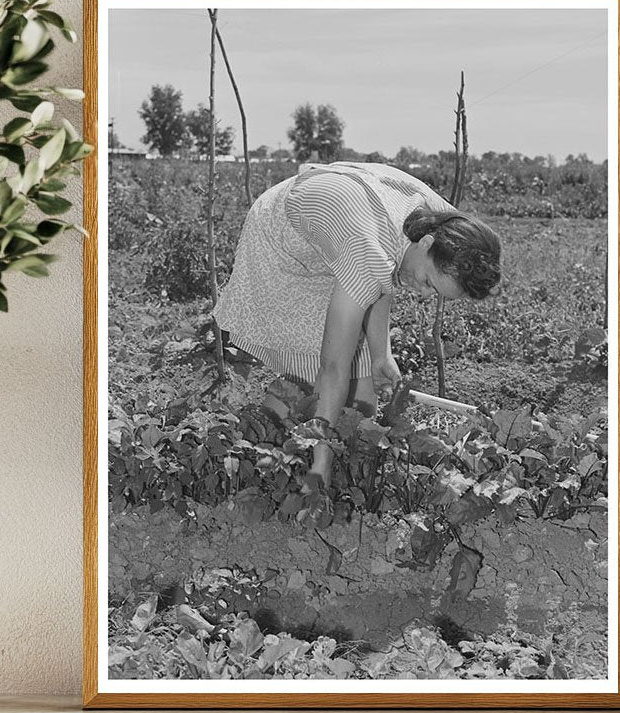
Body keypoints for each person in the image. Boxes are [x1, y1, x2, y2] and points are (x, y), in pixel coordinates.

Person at [213, 161, 501, 483]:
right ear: (427, 243)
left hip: (342, 228)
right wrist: (320, 466)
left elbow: (384, 268)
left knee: (362, 394)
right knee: (311, 371)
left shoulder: (443, 221)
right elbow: (333, 365)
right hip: (281, 239)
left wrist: (381, 354)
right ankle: (253, 451)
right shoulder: (366, 253)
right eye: (428, 282)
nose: (422, 292)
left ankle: (338, 466)